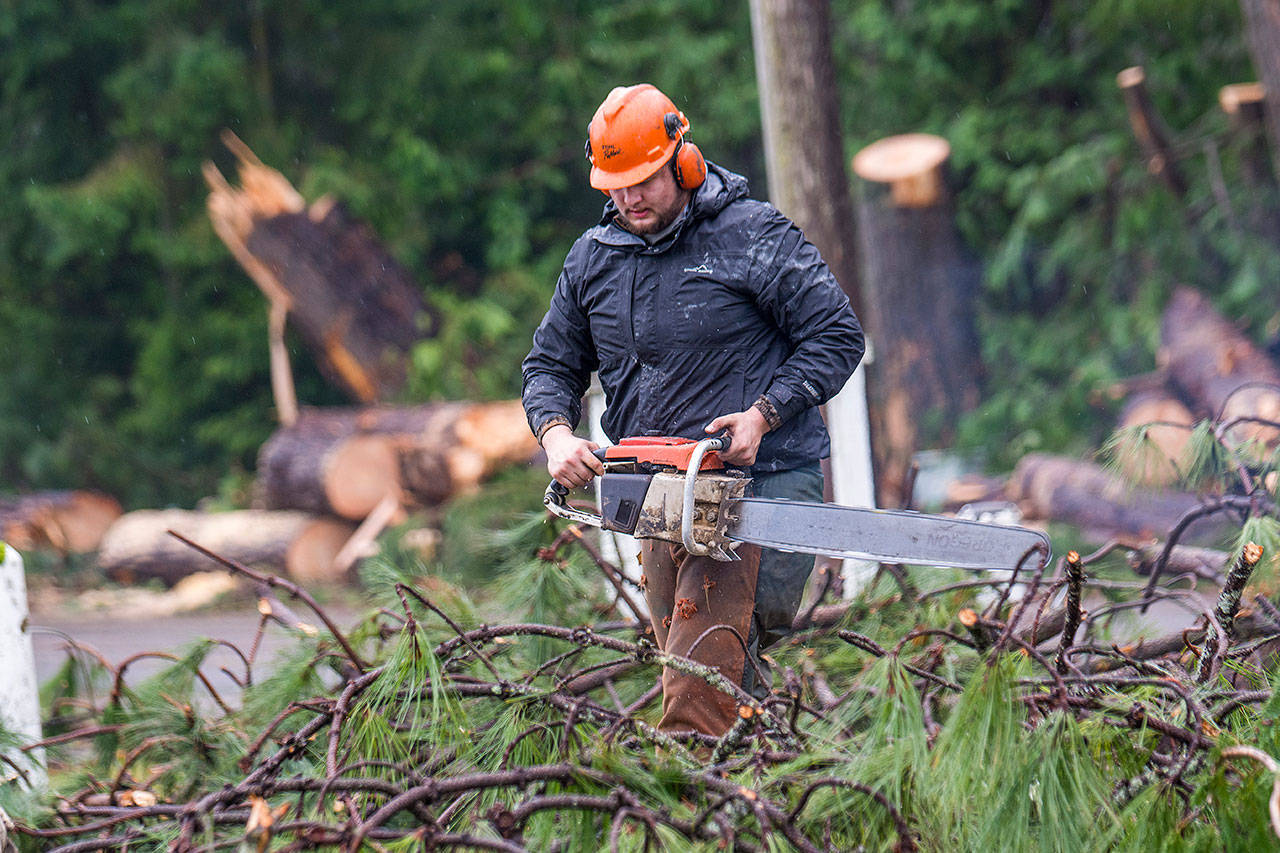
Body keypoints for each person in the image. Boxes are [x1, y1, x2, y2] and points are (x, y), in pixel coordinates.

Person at [522, 83, 864, 738]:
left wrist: (764, 414)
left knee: (698, 687)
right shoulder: (595, 259)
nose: (628, 198)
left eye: (644, 181)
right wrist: (556, 433)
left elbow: (837, 335)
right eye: (614, 185)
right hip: (655, 494)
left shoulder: (752, 235)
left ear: (685, 161)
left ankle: (679, 800)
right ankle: (767, 797)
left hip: (757, 485)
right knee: (725, 681)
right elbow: (550, 365)